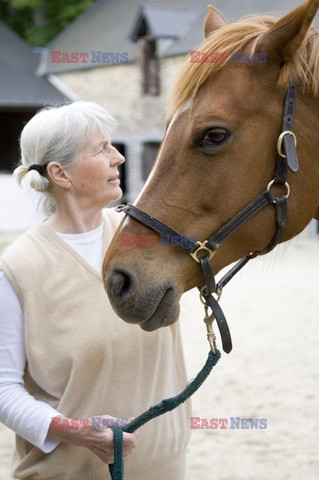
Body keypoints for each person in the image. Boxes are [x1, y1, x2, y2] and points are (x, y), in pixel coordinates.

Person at [0, 101, 191, 480]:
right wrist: (78, 432)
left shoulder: (144, 238)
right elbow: (4, 390)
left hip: (166, 470)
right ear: (61, 174)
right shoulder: (17, 267)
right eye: (102, 149)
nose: (117, 157)